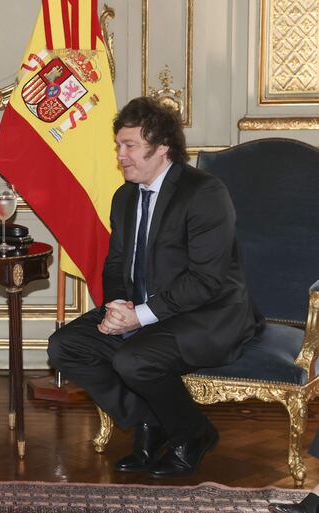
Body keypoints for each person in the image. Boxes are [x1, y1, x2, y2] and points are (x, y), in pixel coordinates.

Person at [47, 96, 262, 478]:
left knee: (134, 359)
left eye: (129, 146)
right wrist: (117, 306)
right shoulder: (125, 195)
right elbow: (116, 263)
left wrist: (139, 317)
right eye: (118, 145)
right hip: (143, 309)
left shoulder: (204, 193)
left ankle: (193, 434)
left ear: (162, 147)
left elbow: (206, 281)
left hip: (207, 314)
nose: (120, 155)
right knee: (65, 346)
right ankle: (152, 420)